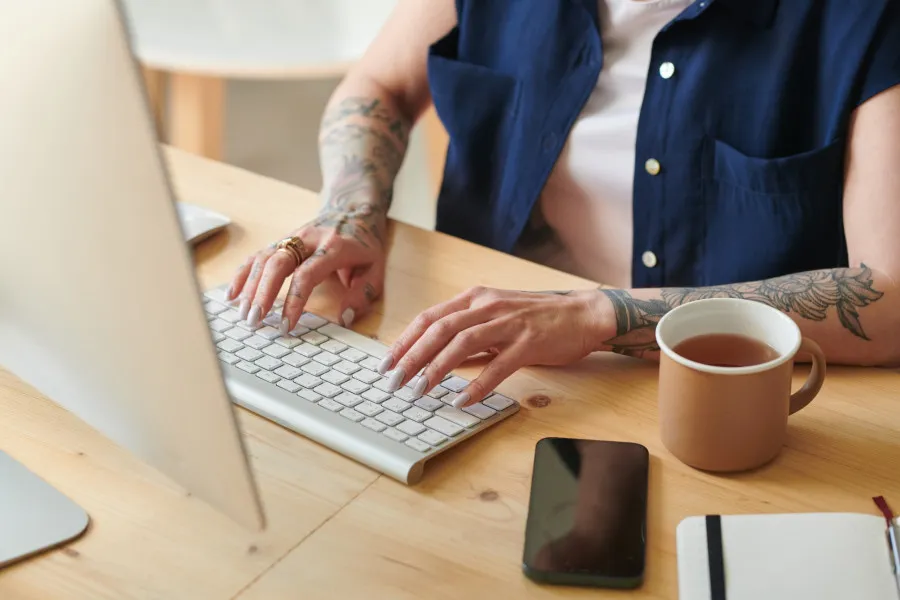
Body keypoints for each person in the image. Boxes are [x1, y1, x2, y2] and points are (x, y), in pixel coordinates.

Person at [228, 0, 900, 409]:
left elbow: (891, 296)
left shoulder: (866, 18)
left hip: (729, 399)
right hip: (478, 353)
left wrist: (599, 315)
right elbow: (379, 85)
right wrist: (352, 210)